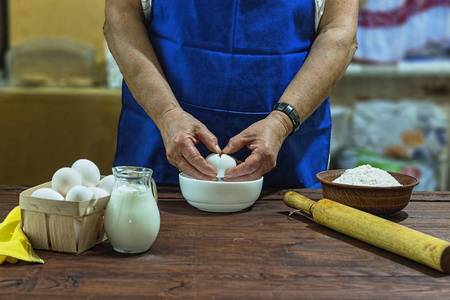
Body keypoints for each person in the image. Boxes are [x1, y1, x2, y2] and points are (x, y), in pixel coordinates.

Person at [103, 0, 358, 188]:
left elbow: (338, 34)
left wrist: (281, 122)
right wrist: (166, 113)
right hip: (160, 144)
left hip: (285, 161)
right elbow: (120, 18)